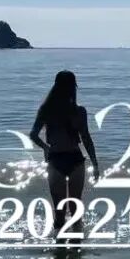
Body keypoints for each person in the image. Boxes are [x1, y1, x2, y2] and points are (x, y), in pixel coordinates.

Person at [29, 70, 101, 234]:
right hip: (74, 160)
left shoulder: (47, 110)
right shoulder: (78, 111)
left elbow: (33, 134)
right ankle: (75, 246)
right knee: (74, 211)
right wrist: (95, 164)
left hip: (57, 160)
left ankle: (61, 247)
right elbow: (86, 139)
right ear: (73, 87)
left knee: (60, 213)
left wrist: (46, 147)